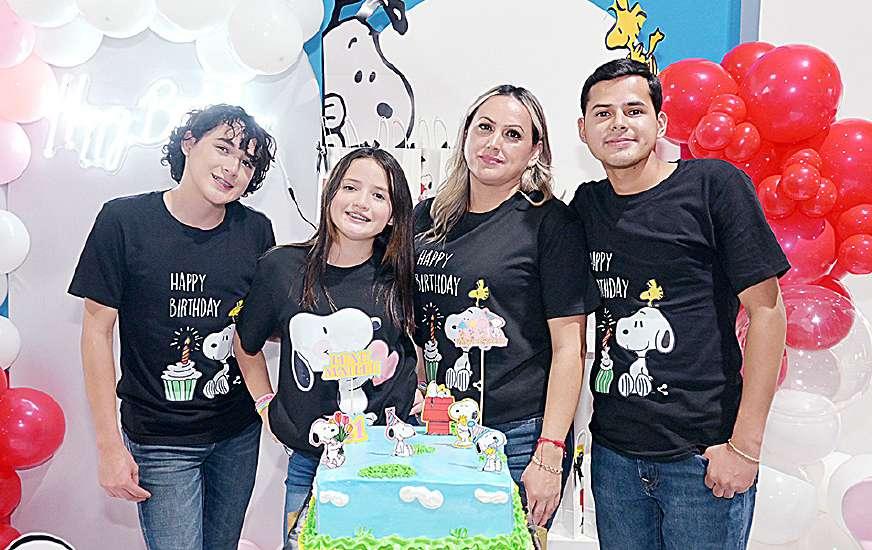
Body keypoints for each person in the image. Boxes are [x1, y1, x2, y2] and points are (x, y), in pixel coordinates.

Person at [572, 59, 789, 549]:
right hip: (614, 457)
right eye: (603, 114)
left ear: (661, 122)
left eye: (634, 110)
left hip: (703, 457)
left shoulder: (714, 185)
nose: (618, 123)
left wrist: (745, 447)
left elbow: (768, 313)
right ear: (583, 130)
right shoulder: (587, 206)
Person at [69, 104, 276, 550]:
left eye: (247, 161)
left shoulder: (256, 231)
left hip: (237, 434)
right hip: (160, 440)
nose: (233, 168)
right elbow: (96, 331)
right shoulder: (123, 222)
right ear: (189, 143)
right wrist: (108, 446)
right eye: (224, 148)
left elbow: (258, 327)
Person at [413, 84, 601, 530]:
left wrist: (549, 453)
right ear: (466, 135)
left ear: (535, 150)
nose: (494, 143)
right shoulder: (426, 218)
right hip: (433, 427)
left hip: (516, 437)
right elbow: (415, 321)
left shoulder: (551, 223)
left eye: (513, 134)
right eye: (485, 127)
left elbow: (570, 349)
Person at [234, 147, 418, 546]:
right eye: (350, 187)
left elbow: (415, 346)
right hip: (311, 460)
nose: (361, 202)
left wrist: (415, 393)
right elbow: (246, 345)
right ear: (330, 192)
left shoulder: (402, 274)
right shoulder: (281, 267)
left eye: (379, 195)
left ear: (393, 213)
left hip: (387, 460)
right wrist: (266, 406)